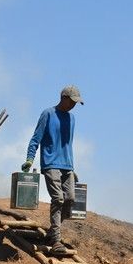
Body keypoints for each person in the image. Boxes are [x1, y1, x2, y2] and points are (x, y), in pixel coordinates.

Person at [22, 86, 82, 252]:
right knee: (58, 199)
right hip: (51, 164)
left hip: (67, 166)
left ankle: (51, 232)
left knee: (69, 199)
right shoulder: (48, 114)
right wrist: (29, 158)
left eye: (76, 103)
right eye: (72, 101)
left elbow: (67, 144)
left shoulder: (72, 119)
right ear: (64, 97)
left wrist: (72, 167)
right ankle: (56, 240)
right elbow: (36, 138)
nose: (74, 105)